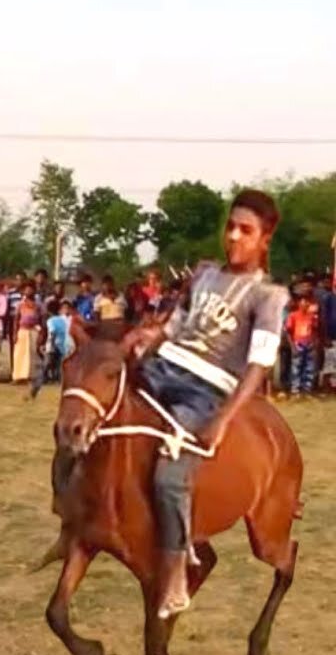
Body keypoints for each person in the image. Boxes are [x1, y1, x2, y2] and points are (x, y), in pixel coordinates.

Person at [121, 189, 289, 620]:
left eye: (245, 230)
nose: (233, 236)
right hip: (162, 369)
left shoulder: (269, 297)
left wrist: (224, 418)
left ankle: (176, 568)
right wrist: (144, 340)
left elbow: (257, 367)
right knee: (97, 408)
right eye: (230, 226)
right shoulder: (204, 274)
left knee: (169, 474)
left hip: (204, 391)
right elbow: (175, 326)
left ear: (264, 239)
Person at [285, 278, 319, 398]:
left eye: (306, 301)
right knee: (296, 367)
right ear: (298, 302)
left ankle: (306, 389)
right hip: (298, 342)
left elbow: (314, 329)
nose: (304, 303)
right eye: (302, 300)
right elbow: (288, 331)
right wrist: (292, 345)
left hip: (309, 342)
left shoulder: (311, 316)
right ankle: (295, 391)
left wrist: (315, 342)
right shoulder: (293, 315)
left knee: (309, 367)